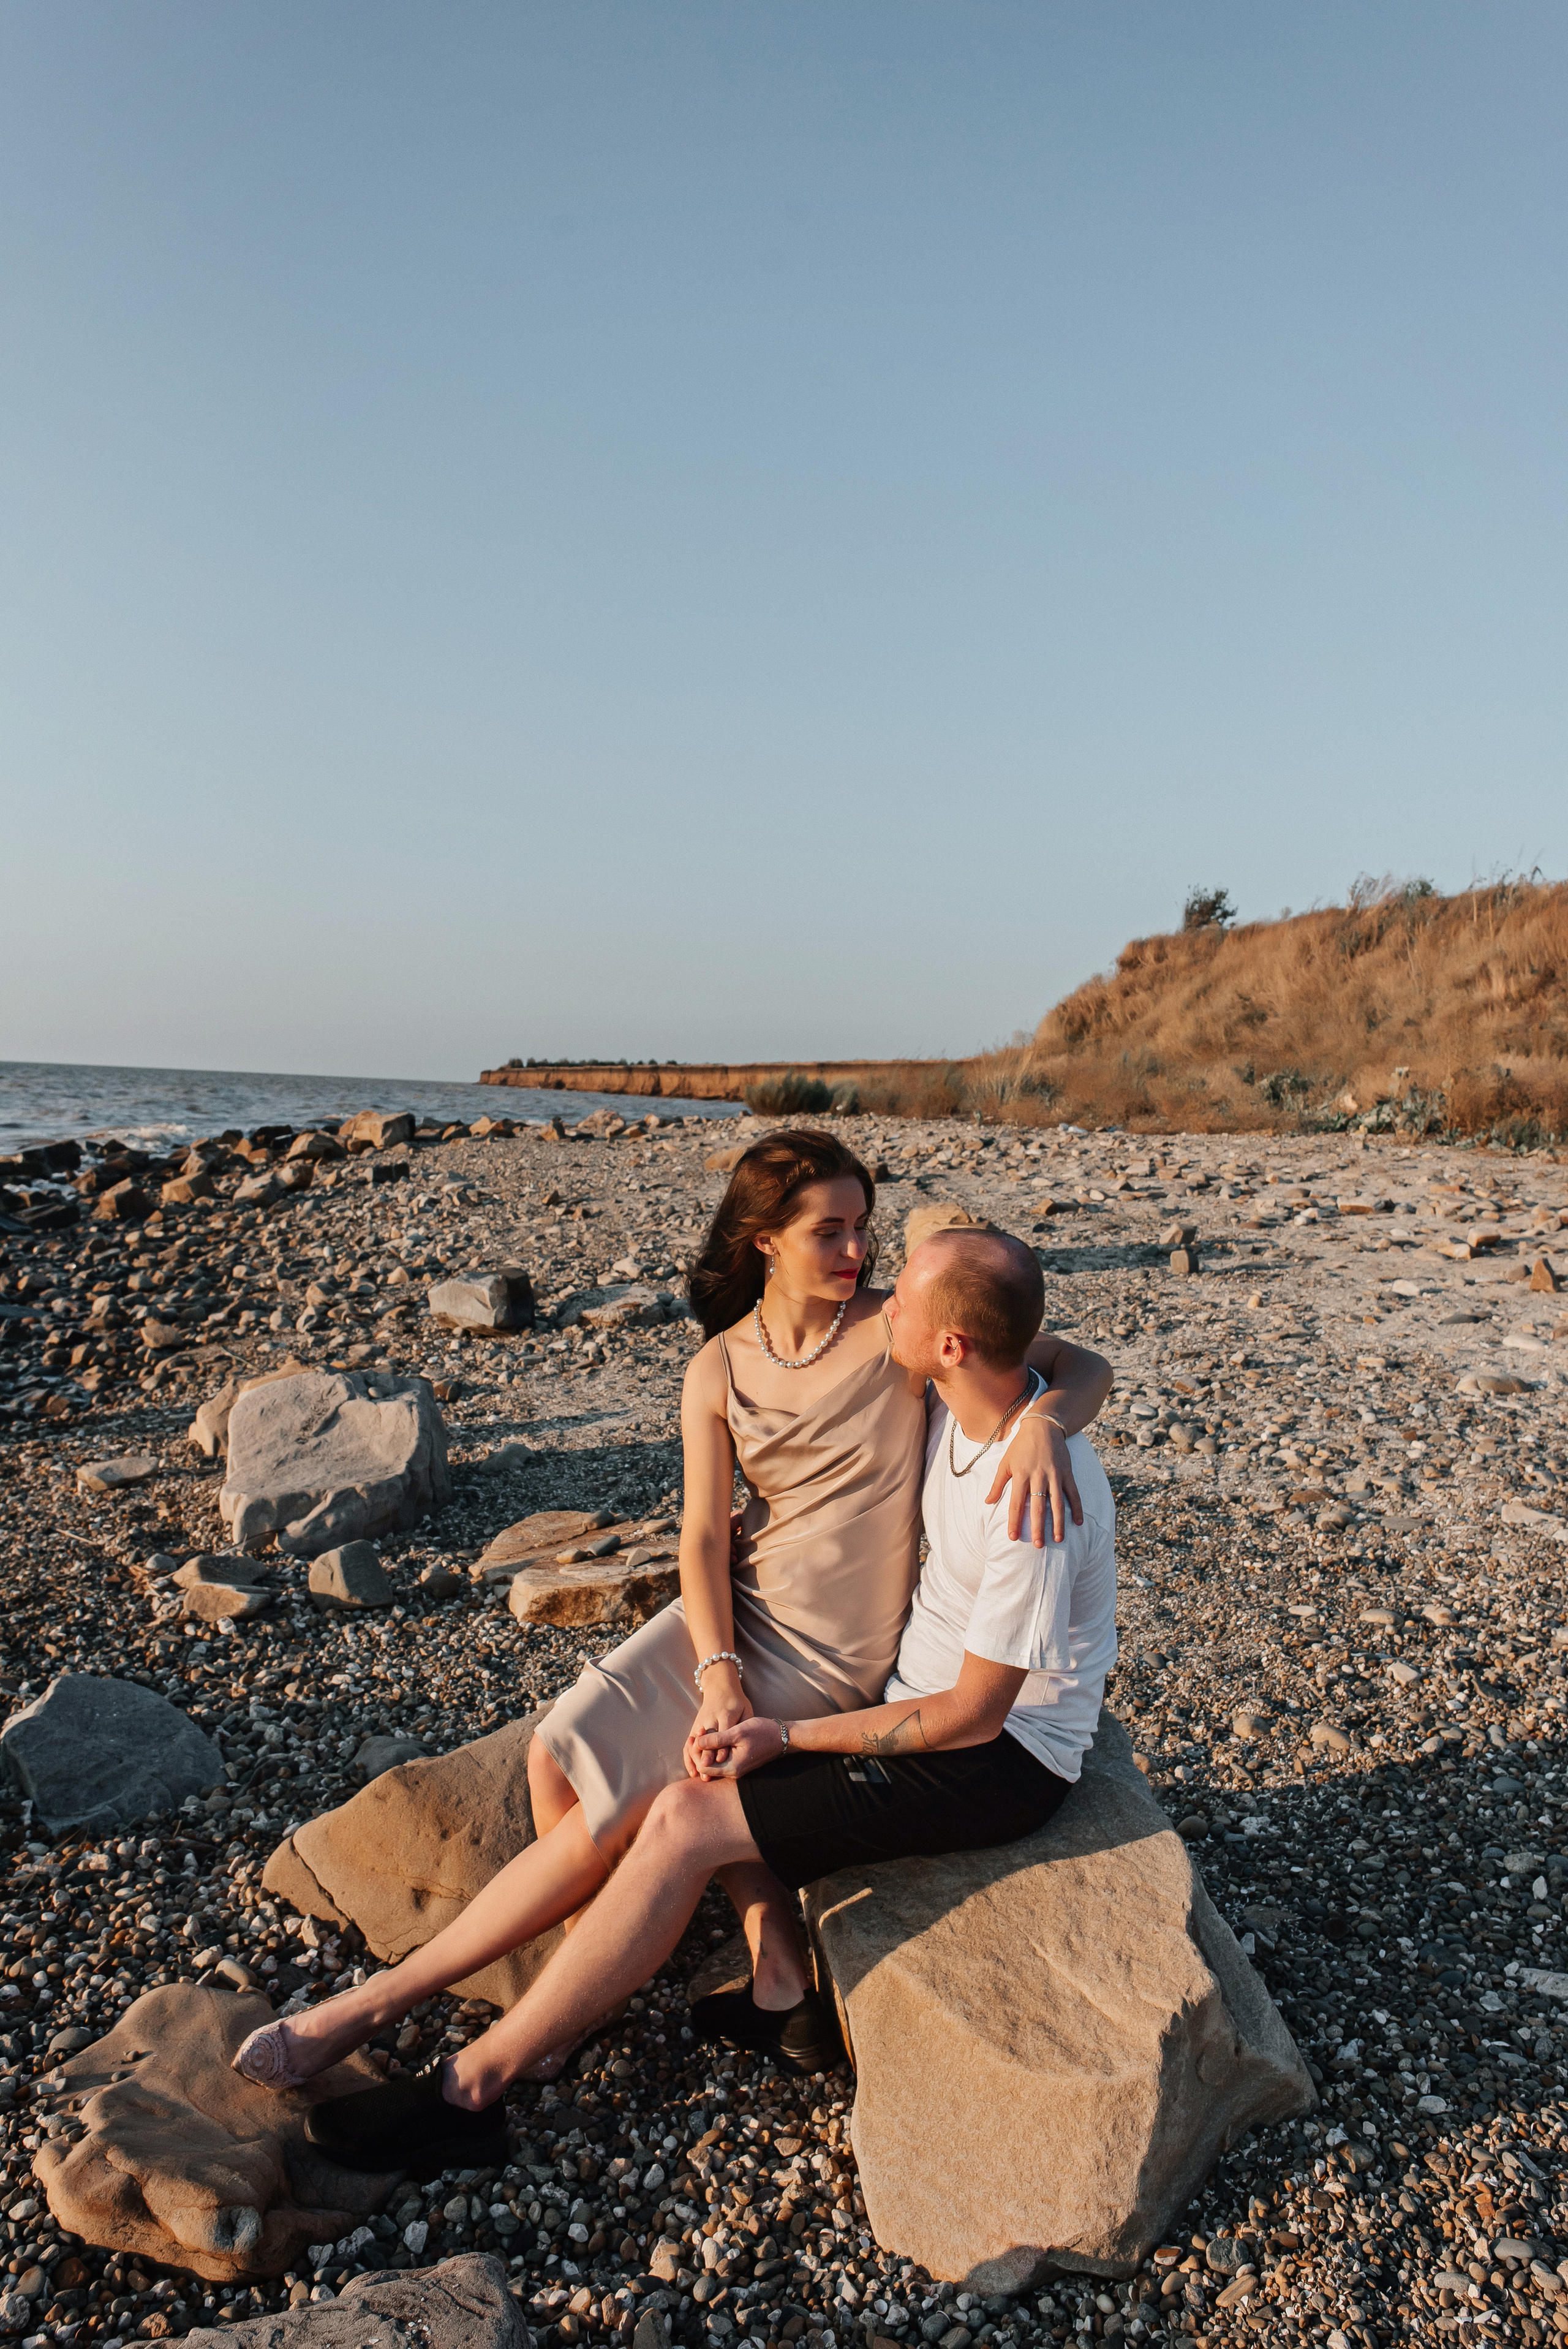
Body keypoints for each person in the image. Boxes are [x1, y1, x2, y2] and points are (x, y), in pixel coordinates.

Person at [232, 1132, 1112, 2117]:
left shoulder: (901, 1335)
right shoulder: (721, 1366)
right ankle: (634, 1979)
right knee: (559, 1753)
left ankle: (380, 2009)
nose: (861, 1254)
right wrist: (719, 1666)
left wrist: (1045, 1423)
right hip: (750, 1609)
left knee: (639, 1810)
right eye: (834, 1230)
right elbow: (700, 1537)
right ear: (765, 1240)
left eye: (866, 1228)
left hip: (842, 1649)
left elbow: (1064, 1358)